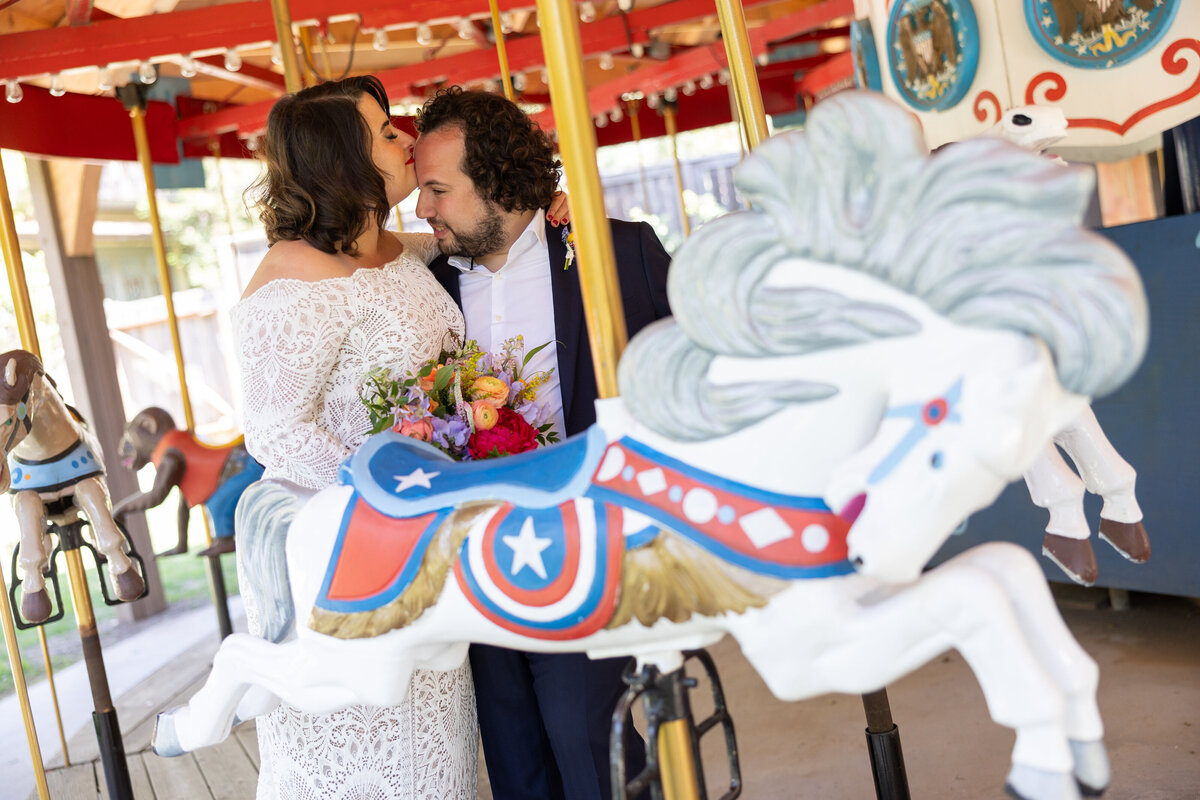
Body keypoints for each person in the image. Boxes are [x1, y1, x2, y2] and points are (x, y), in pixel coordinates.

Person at [230, 76, 566, 800]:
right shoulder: (293, 276)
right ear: (339, 156)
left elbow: (490, 233)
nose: (404, 140)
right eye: (385, 133)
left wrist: (545, 214)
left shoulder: (393, 250)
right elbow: (276, 430)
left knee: (438, 758)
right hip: (355, 549)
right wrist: (392, 498)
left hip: (424, 542)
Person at [413, 85, 672, 800]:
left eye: (437, 189)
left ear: (496, 184)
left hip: (584, 546)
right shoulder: (426, 289)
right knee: (517, 764)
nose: (422, 209)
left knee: (590, 747)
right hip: (475, 562)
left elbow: (699, 372)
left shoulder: (615, 252)